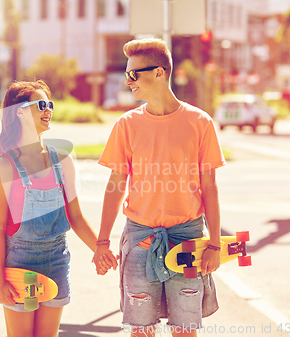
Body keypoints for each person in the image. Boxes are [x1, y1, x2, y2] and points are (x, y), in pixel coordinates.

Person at [93, 38, 226, 337]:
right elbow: (115, 186)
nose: (128, 82)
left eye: (133, 74)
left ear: (159, 72)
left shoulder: (199, 122)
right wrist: (102, 241)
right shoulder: (126, 125)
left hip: (188, 240)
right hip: (140, 239)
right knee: (141, 331)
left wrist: (215, 243)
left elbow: (210, 189)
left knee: (185, 330)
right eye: (127, 75)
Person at [0, 80, 104, 337]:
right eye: (41, 104)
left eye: (50, 104)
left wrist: (101, 249)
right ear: (19, 112)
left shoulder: (63, 159)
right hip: (19, 262)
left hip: (57, 261)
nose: (48, 110)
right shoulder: (4, 167)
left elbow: (75, 216)